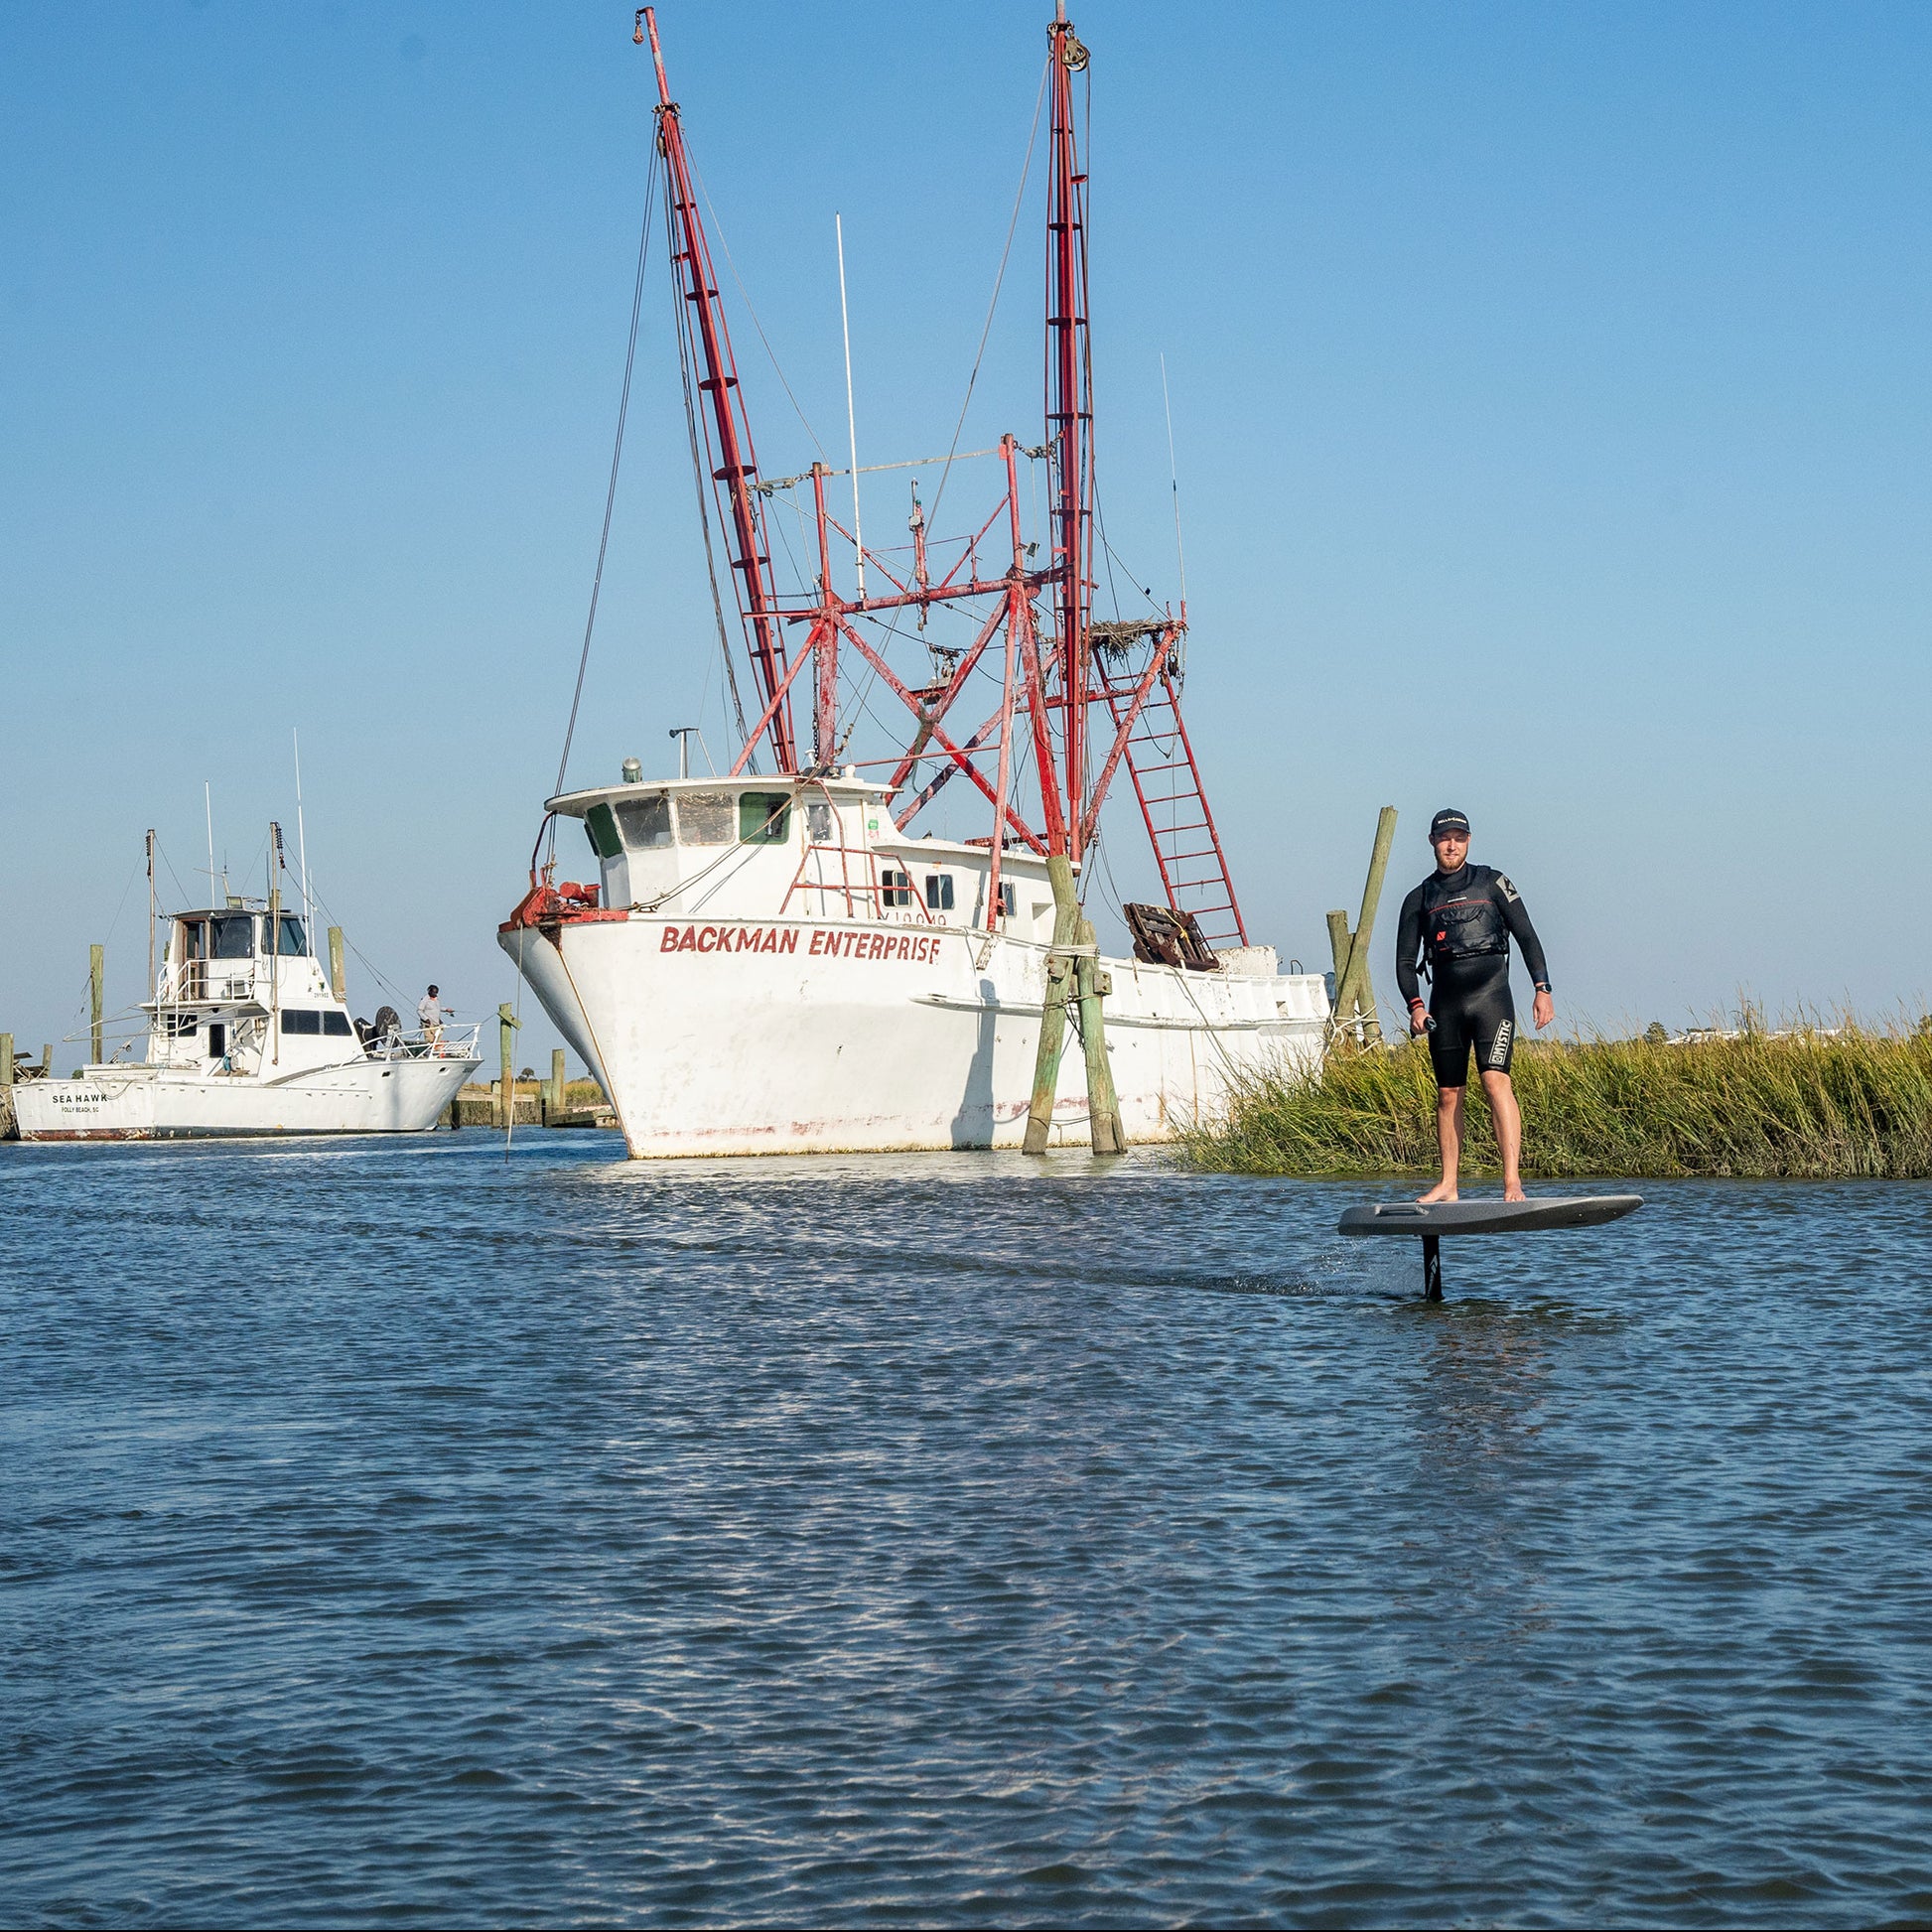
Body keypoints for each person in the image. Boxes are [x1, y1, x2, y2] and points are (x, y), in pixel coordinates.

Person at [1393, 809, 1553, 1203]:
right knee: (1448, 1093)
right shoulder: (1419, 897)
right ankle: (1449, 1184)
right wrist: (1415, 1006)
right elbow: (1402, 960)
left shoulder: (1494, 882)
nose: (1452, 844)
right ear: (1432, 841)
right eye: (1445, 838)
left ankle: (1512, 1181)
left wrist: (1542, 988)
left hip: (1491, 998)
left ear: (1468, 840)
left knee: (1496, 1081)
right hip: (1444, 1005)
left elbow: (1527, 936)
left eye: (1459, 838)